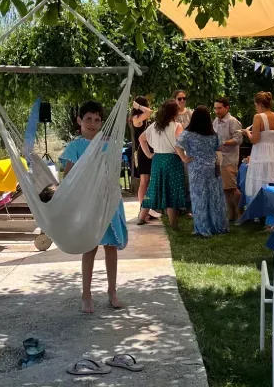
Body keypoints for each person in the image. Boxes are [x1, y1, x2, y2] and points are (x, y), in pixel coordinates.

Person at [60, 100, 128, 314]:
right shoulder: (75, 146)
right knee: (90, 247)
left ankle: (112, 291)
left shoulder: (109, 144)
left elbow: (113, 171)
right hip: (88, 204)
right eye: (88, 119)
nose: (92, 123)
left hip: (108, 200)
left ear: (102, 122)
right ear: (79, 120)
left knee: (111, 247)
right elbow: (69, 176)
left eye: (97, 120)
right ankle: (86, 293)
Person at [176, 106, 229, 237]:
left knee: (199, 198)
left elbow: (178, 146)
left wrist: (184, 158)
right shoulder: (213, 134)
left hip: (196, 168)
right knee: (214, 198)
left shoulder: (188, 133)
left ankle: (202, 228)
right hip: (212, 167)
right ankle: (217, 226)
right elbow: (220, 148)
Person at [137, 99, 187, 228]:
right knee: (171, 190)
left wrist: (149, 154)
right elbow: (178, 144)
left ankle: (141, 217)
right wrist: (184, 157)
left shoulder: (154, 126)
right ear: (174, 112)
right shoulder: (177, 126)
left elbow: (141, 139)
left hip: (157, 160)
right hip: (172, 160)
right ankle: (173, 223)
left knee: (153, 188)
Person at [244, 91, 274, 199]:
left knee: (260, 182)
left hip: (261, 154)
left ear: (260, 104)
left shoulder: (258, 117)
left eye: (255, 105)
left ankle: (260, 209)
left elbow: (255, 140)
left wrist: (247, 132)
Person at [213, 97, 243, 221]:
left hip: (229, 159)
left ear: (227, 107)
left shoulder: (232, 121)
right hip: (218, 159)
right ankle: (231, 215)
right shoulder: (215, 121)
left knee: (232, 188)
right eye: (215, 108)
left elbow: (238, 139)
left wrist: (223, 143)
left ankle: (241, 213)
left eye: (219, 108)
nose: (217, 111)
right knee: (225, 189)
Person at [130, 95, 153, 207]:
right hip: (142, 152)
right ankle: (143, 207)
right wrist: (138, 106)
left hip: (148, 150)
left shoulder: (144, 119)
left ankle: (148, 206)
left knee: (148, 181)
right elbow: (149, 112)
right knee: (144, 181)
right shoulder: (136, 118)